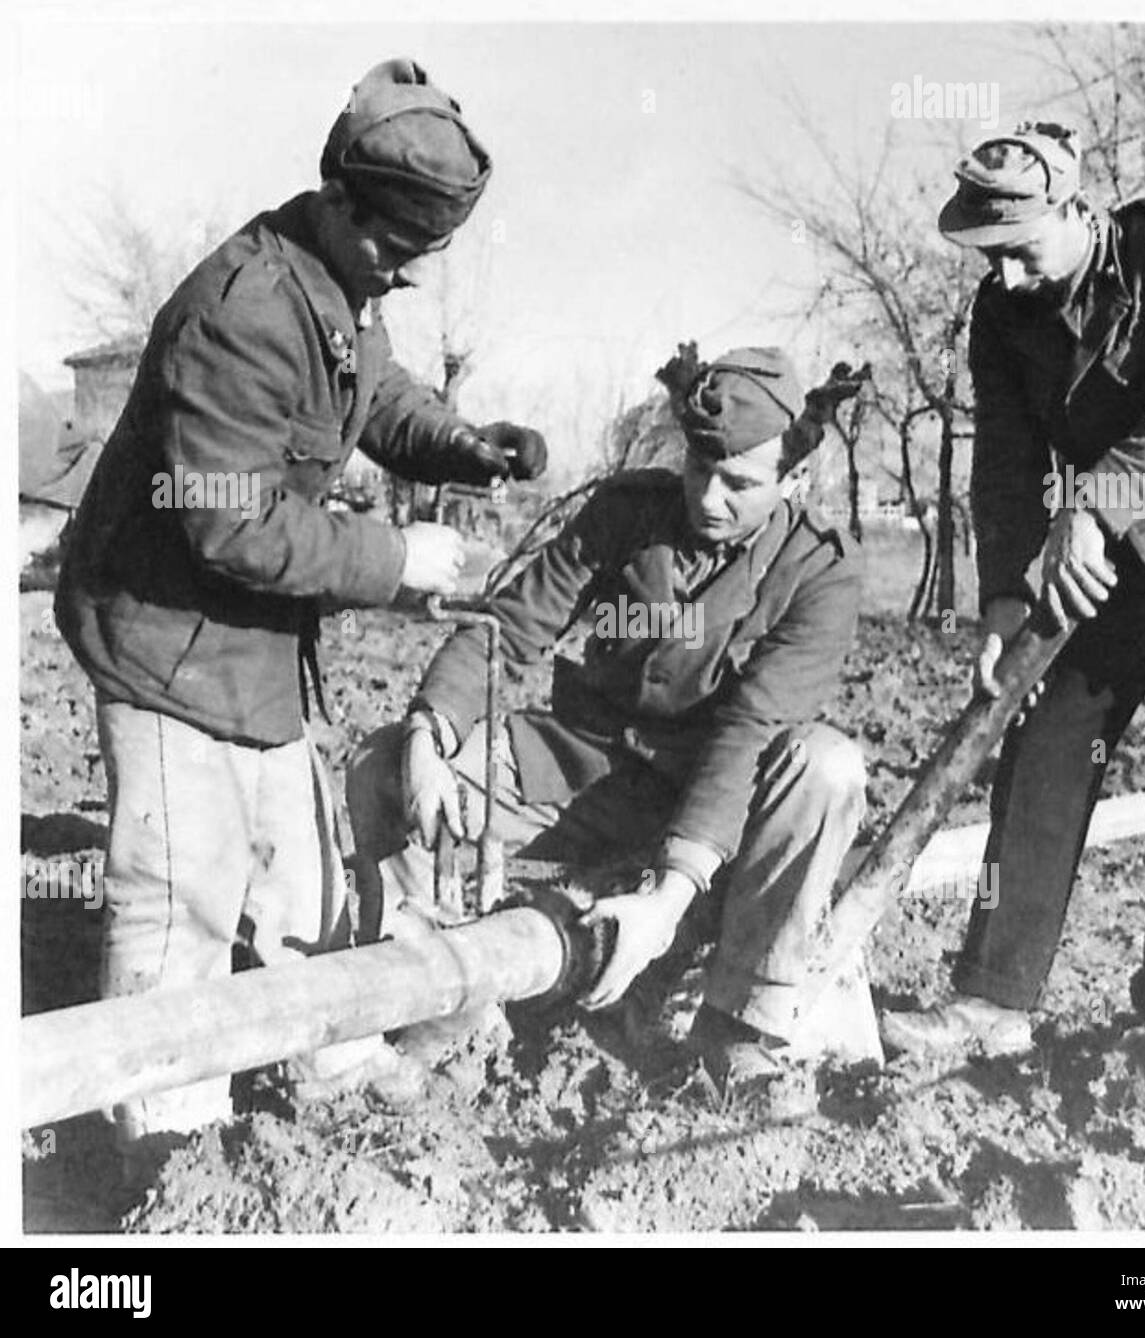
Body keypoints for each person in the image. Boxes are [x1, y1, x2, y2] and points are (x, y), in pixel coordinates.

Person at [54, 58, 548, 1150]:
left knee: (305, 872)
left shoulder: (336, 284)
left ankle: (330, 1049)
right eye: (396, 250)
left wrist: (466, 447)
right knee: (183, 886)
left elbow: (378, 397)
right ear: (337, 199)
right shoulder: (242, 313)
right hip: (166, 642)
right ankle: (163, 1121)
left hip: (251, 644)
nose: (402, 278)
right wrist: (396, 557)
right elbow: (229, 524)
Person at [347, 347, 869, 1093]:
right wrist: (432, 731)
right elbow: (511, 627)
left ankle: (741, 1027)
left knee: (827, 765)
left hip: (715, 812)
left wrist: (670, 892)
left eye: (740, 484)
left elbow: (751, 729)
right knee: (382, 764)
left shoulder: (821, 570)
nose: (710, 499)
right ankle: (438, 1007)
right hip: (582, 777)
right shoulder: (625, 511)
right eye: (698, 468)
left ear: (796, 480)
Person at [880, 123, 1145, 1057]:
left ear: (1071, 210)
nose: (1006, 279)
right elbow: (1008, 467)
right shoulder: (1000, 313)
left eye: (1018, 253)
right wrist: (1004, 604)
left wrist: (1095, 505)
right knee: (1044, 755)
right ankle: (992, 999)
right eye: (989, 259)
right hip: (1097, 563)